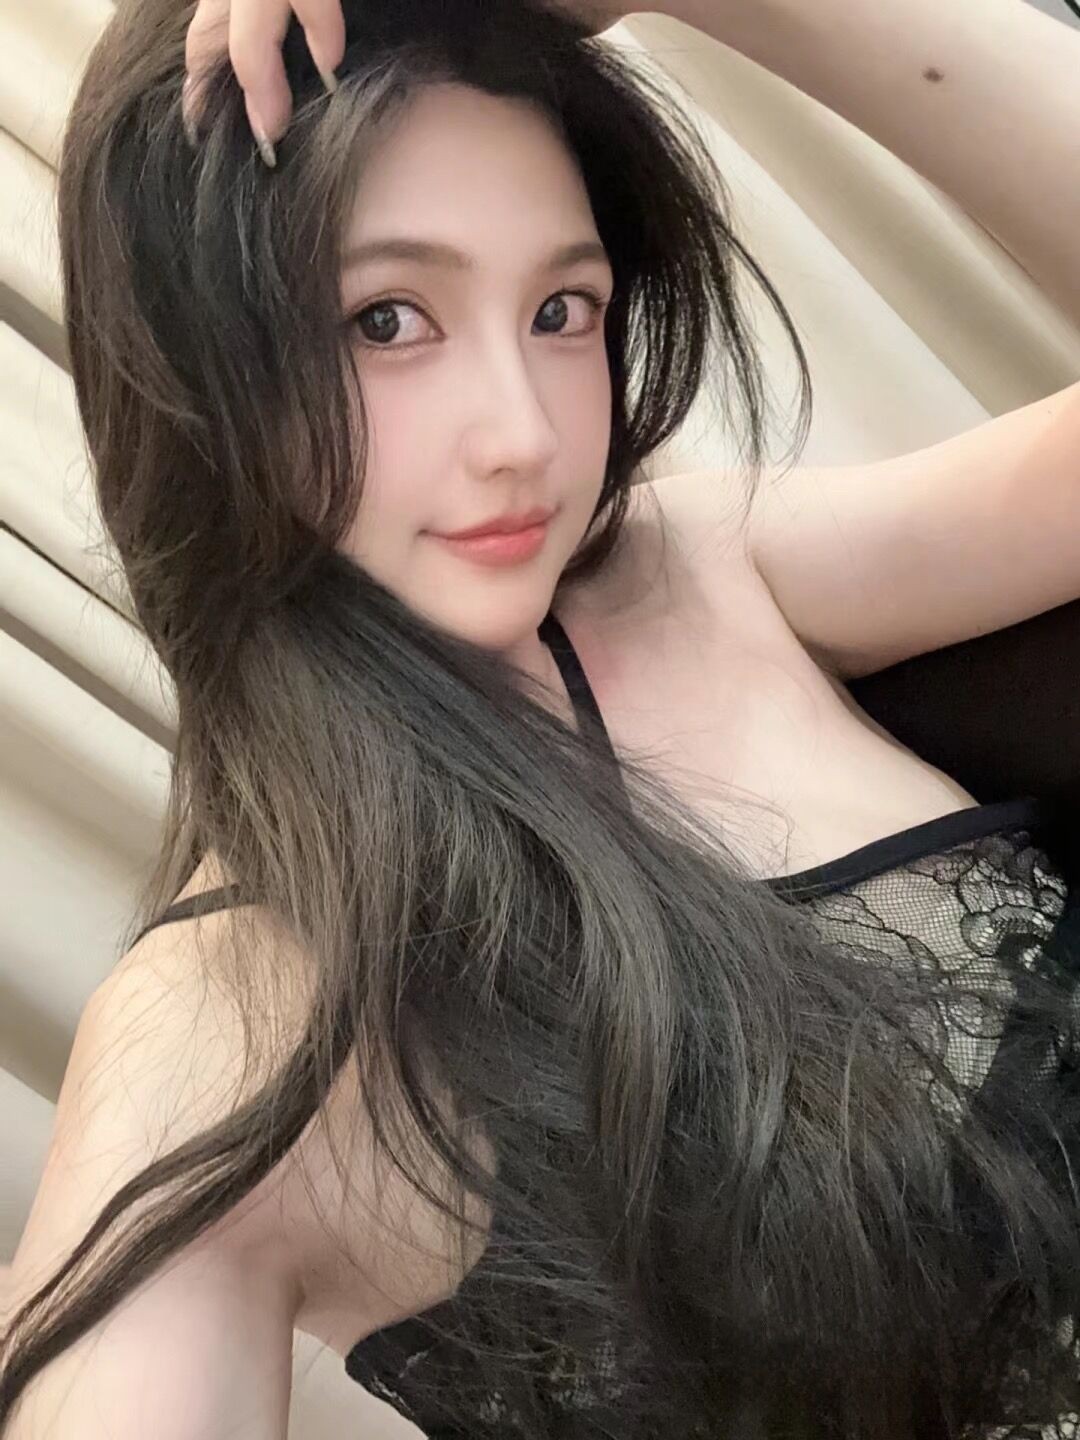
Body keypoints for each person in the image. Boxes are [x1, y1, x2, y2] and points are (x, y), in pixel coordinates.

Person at [3, 0, 1080, 1435]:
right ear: (197, 369)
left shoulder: (703, 567)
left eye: (561, 310)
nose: (524, 434)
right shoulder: (221, 1034)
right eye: (387, 321)